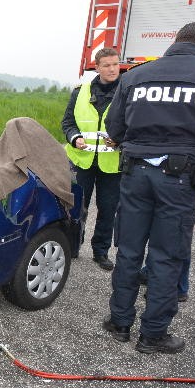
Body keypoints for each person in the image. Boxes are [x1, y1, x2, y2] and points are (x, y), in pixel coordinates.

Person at [103, 21, 195, 354]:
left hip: (134, 174)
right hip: (178, 180)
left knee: (128, 250)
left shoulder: (136, 75)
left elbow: (114, 127)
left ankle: (120, 322)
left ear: (176, 40)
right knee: (167, 256)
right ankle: (153, 334)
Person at [61, 47, 122, 270]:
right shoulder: (81, 91)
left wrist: (120, 140)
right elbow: (67, 123)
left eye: (115, 64)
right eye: (106, 65)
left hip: (112, 164)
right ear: (97, 67)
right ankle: (73, 247)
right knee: (76, 208)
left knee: (108, 209)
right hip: (81, 160)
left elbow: (135, 125)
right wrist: (74, 137)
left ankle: (101, 252)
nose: (112, 69)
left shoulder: (127, 91)